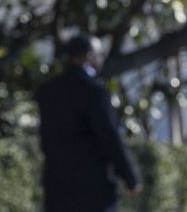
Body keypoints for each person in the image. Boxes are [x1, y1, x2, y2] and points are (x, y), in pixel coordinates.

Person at [34, 34, 140, 212]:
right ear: (89, 56)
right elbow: (109, 137)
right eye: (100, 54)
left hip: (57, 186)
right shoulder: (95, 92)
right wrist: (129, 177)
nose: (101, 59)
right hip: (94, 189)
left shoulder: (47, 91)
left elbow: (45, 136)